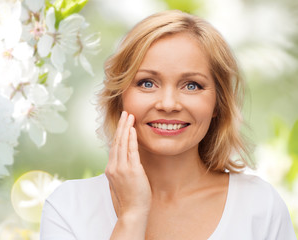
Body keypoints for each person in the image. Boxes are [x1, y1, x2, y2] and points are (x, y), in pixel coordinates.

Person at [40, 10, 297, 240]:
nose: (168, 103)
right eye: (147, 83)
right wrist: (132, 215)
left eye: (192, 85)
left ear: (218, 103)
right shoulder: (68, 207)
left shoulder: (259, 206)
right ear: (119, 98)